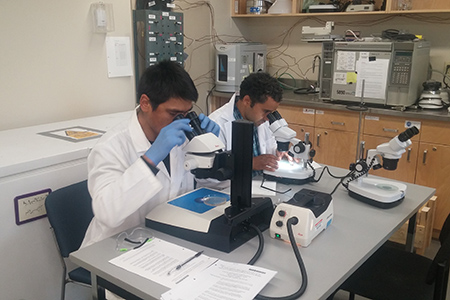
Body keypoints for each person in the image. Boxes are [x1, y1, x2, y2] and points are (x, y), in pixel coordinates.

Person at [81, 60, 220, 248]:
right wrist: (150, 160)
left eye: (187, 113)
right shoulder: (111, 146)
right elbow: (107, 213)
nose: (182, 120)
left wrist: (211, 152)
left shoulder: (183, 138)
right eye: (174, 113)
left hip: (166, 238)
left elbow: (210, 187)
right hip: (117, 246)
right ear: (145, 103)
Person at [209, 72, 284, 175]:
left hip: (262, 184)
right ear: (247, 101)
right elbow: (209, 176)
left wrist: (279, 153)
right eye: (266, 111)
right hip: (228, 189)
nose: (268, 118)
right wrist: (249, 163)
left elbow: (270, 149)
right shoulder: (216, 123)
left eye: (271, 113)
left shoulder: (261, 119)